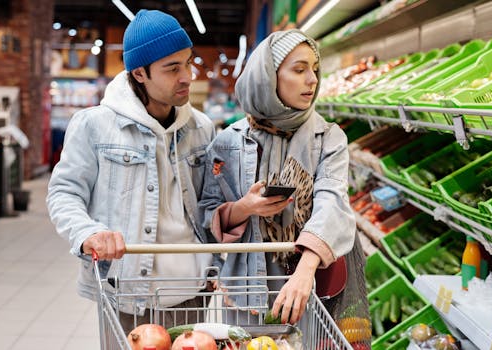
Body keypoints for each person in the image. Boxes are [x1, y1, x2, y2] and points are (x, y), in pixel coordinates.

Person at [47, 9, 216, 333]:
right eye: (172, 68)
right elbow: (64, 192)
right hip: (127, 293)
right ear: (140, 74)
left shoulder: (201, 128)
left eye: (188, 62)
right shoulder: (95, 126)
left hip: (193, 293)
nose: (187, 76)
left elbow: (210, 206)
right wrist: (87, 233)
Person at [199, 28, 370, 338]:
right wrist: (243, 208)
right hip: (247, 289)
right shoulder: (227, 143)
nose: (312, 80)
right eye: (299, 69)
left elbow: (332, 201)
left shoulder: (328, 138)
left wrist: (305, 272)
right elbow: (206, 214)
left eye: (315, 70)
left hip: (314, 287)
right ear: (268, 76)